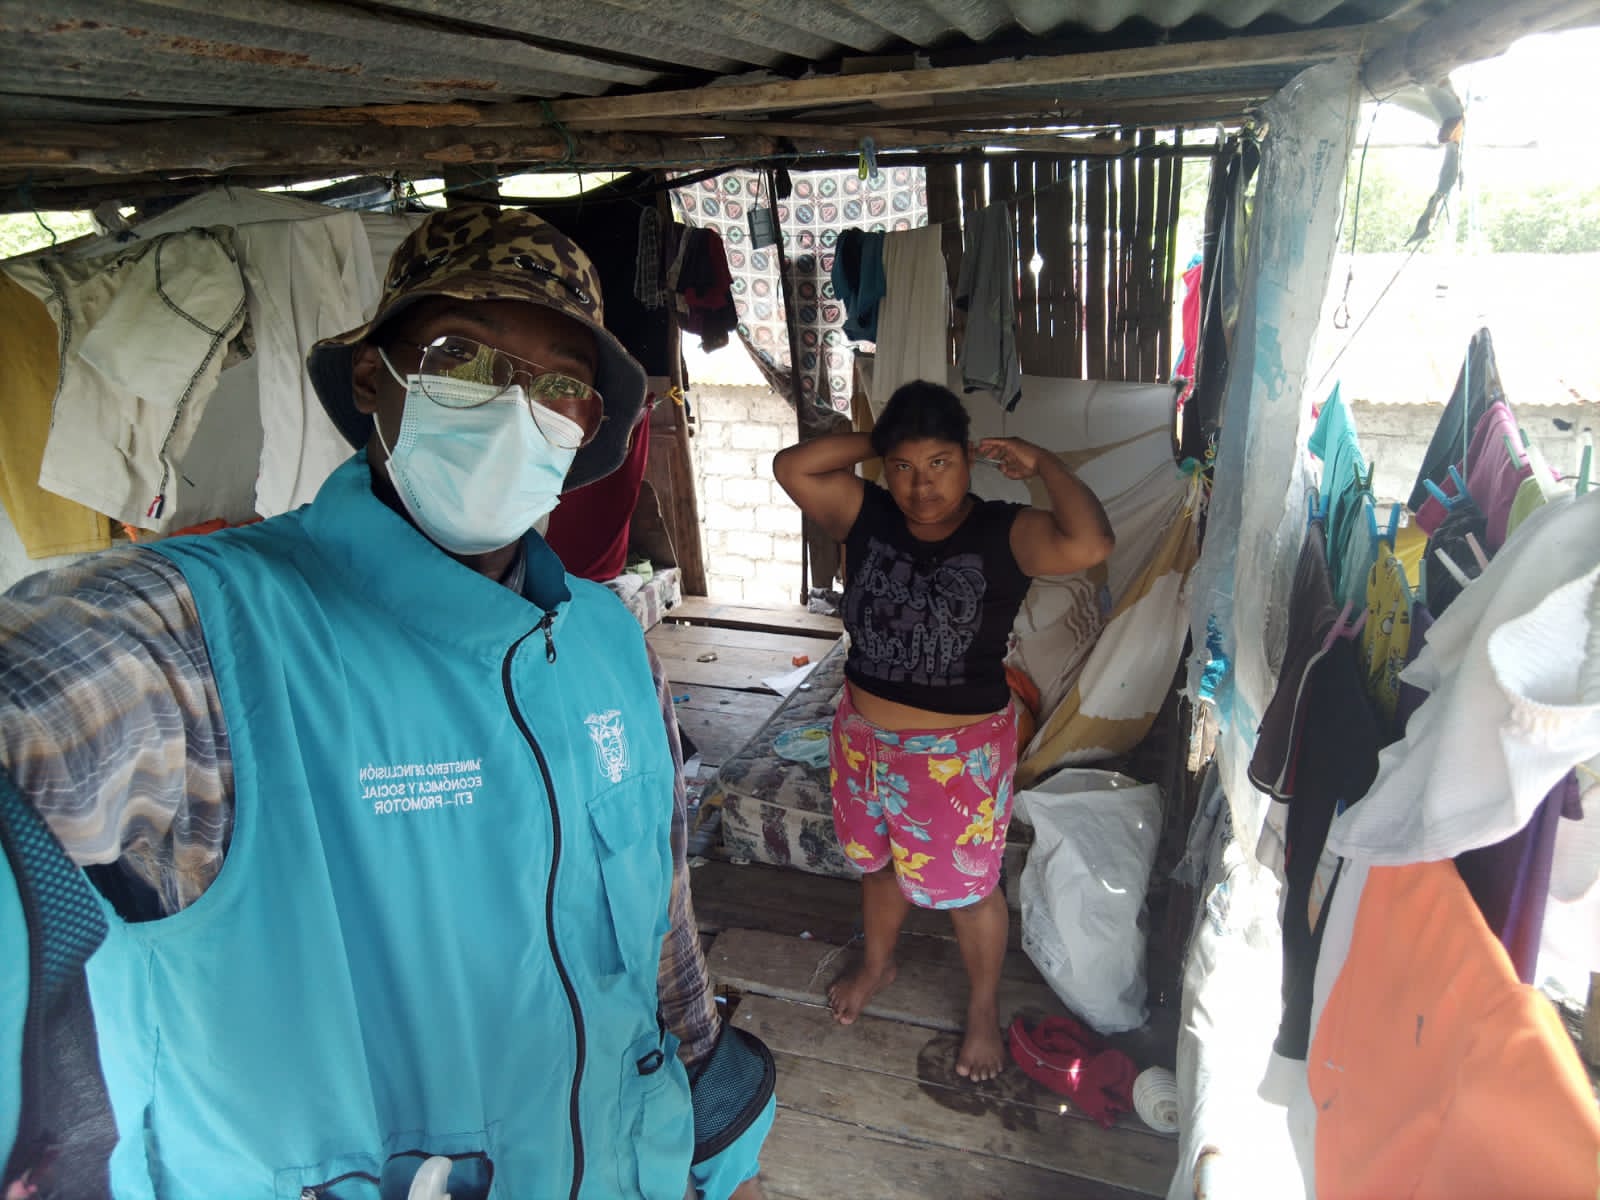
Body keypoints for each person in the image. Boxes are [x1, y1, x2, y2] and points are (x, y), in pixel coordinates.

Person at [0, 204, 775, 1199]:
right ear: (374, 380)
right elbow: (41, 707)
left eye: (559, 384)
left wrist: (714, 1141)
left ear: (585, 429)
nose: (513, 406)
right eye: (462, 357)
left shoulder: (606, 641)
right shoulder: (202, 639)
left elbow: (663, 931)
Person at [772, 380, 1114, 1081]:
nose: (921, 485)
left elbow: (1090, 540)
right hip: (862, 739)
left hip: (954, 756)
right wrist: (884, 441)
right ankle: (878, 964)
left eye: (939, 463)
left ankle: (983, 1008)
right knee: (876, 864)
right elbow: (791, 466)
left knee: (969, 890)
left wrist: (1043, 463)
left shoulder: (1004, 531)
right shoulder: (866, 512)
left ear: (968, 458)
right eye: (903, 466)